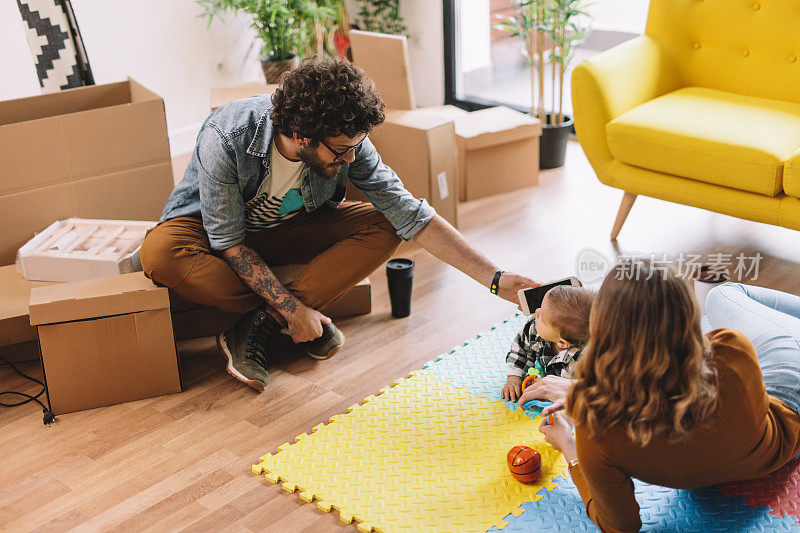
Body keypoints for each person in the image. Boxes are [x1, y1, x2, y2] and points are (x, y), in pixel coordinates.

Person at [140, 56, 537, 392]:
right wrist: (295, 309)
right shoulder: (228, 136)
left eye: (355, 147)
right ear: (301, 135)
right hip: (213, 233)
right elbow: (228, 242)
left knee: (388, 222)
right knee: (158, 253)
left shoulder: (348, 140)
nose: (350, 159)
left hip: (284, 229)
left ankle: (257, 326)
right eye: (342, 150)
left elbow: (410, 214)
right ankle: (282, 318)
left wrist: (496, 278)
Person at [524, 261, 800, 533]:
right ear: (689, 315)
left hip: (763, 427)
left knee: (724, 297)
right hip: (784, 431)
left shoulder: (595, 430)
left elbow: (619, 527)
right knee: (723, 295)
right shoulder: (730, 348)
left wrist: (569, 445)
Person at [501, 286, 594, 402]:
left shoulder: (583, 362)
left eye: (542, 318)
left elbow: (581, 390)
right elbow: (521, 348)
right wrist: (514, 376)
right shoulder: (534, 328)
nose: (536, 312)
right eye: (541, 306)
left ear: (561, 343)